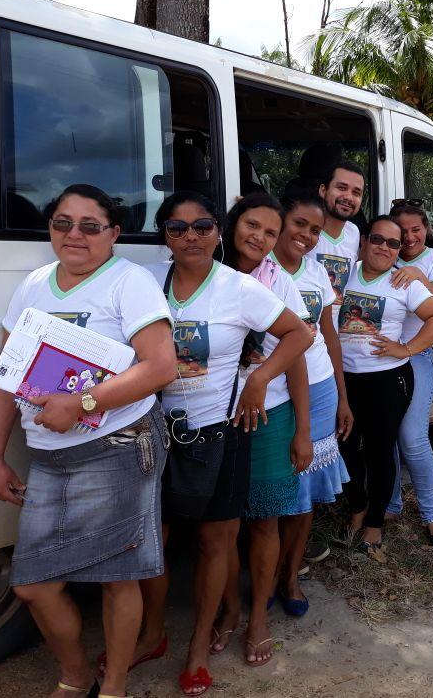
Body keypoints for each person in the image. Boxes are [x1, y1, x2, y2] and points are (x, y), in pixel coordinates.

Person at [0, 184, 176, 698]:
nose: (75, 235)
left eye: (91, 226)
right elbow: (6, 376)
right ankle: (74, 674)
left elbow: (161, 366)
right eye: (62, 223)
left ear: (113, 233)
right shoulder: (33, 285)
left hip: (117, 444)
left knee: (119, 577)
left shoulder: (128, 283)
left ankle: (112, 685)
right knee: (33, 585)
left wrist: (85, 402)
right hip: (49, 454)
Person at [132, 192, 311, 696]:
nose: (190, 236)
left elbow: (300, 336)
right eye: (177, 227)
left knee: (216, 542)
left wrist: (258, 381)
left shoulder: (238, 288)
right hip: (155, 434)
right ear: (164, 234)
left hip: (221, 434)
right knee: (154, 545)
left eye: (201, 225)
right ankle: (152, 634)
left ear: (216, 231)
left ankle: (196, 650)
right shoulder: (145, 283)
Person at [217, 193, 313, 668]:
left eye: (270, 232)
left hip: (270, 417)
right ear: (234, 224)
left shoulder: (281, 285)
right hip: (212, 416)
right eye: (251, 225)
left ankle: (258, 617)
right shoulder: (202, 274)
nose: (258, 237)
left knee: (264, 520)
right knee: (220, 526)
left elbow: (296, 358)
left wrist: (303, 431)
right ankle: (230, 609)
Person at [338, 216, 433, 558]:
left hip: (387, 380)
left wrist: (406, 348)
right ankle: (358, 504)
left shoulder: (402, 282)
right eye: (378, 239)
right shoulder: (345, 274)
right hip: (344, 378)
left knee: (381, 450)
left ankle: (375, 522)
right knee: (345, 448)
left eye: (393, 243)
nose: (384, 248)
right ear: (364, 241)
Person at [272, 190, 353, 616]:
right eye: (299, 224)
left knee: (305, 492)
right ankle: (266, 572)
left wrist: (342, 396)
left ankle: (290, 575)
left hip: (319, 386)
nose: (306, 235)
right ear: (281, 220)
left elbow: (329, 334)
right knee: (270, 485)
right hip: (271, 391)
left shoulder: (317, 273)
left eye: (315, 231)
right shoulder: (256, 270)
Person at [385, 202, 433, 547]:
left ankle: (431, 515)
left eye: (417, 230)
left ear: (426, 229)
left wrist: (416, 275)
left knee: (412, 437)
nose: (410, 237)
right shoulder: (384, 252)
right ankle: (392, 503)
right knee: (387, 435)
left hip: (416, 354)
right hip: (379, 358)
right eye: (404, 231)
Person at [307, 160, 366, 309]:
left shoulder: (354, 232)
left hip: (333, 330)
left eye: (356, 192)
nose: (348, 197)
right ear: (323, 190)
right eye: (341, 188)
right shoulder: (302, 231)